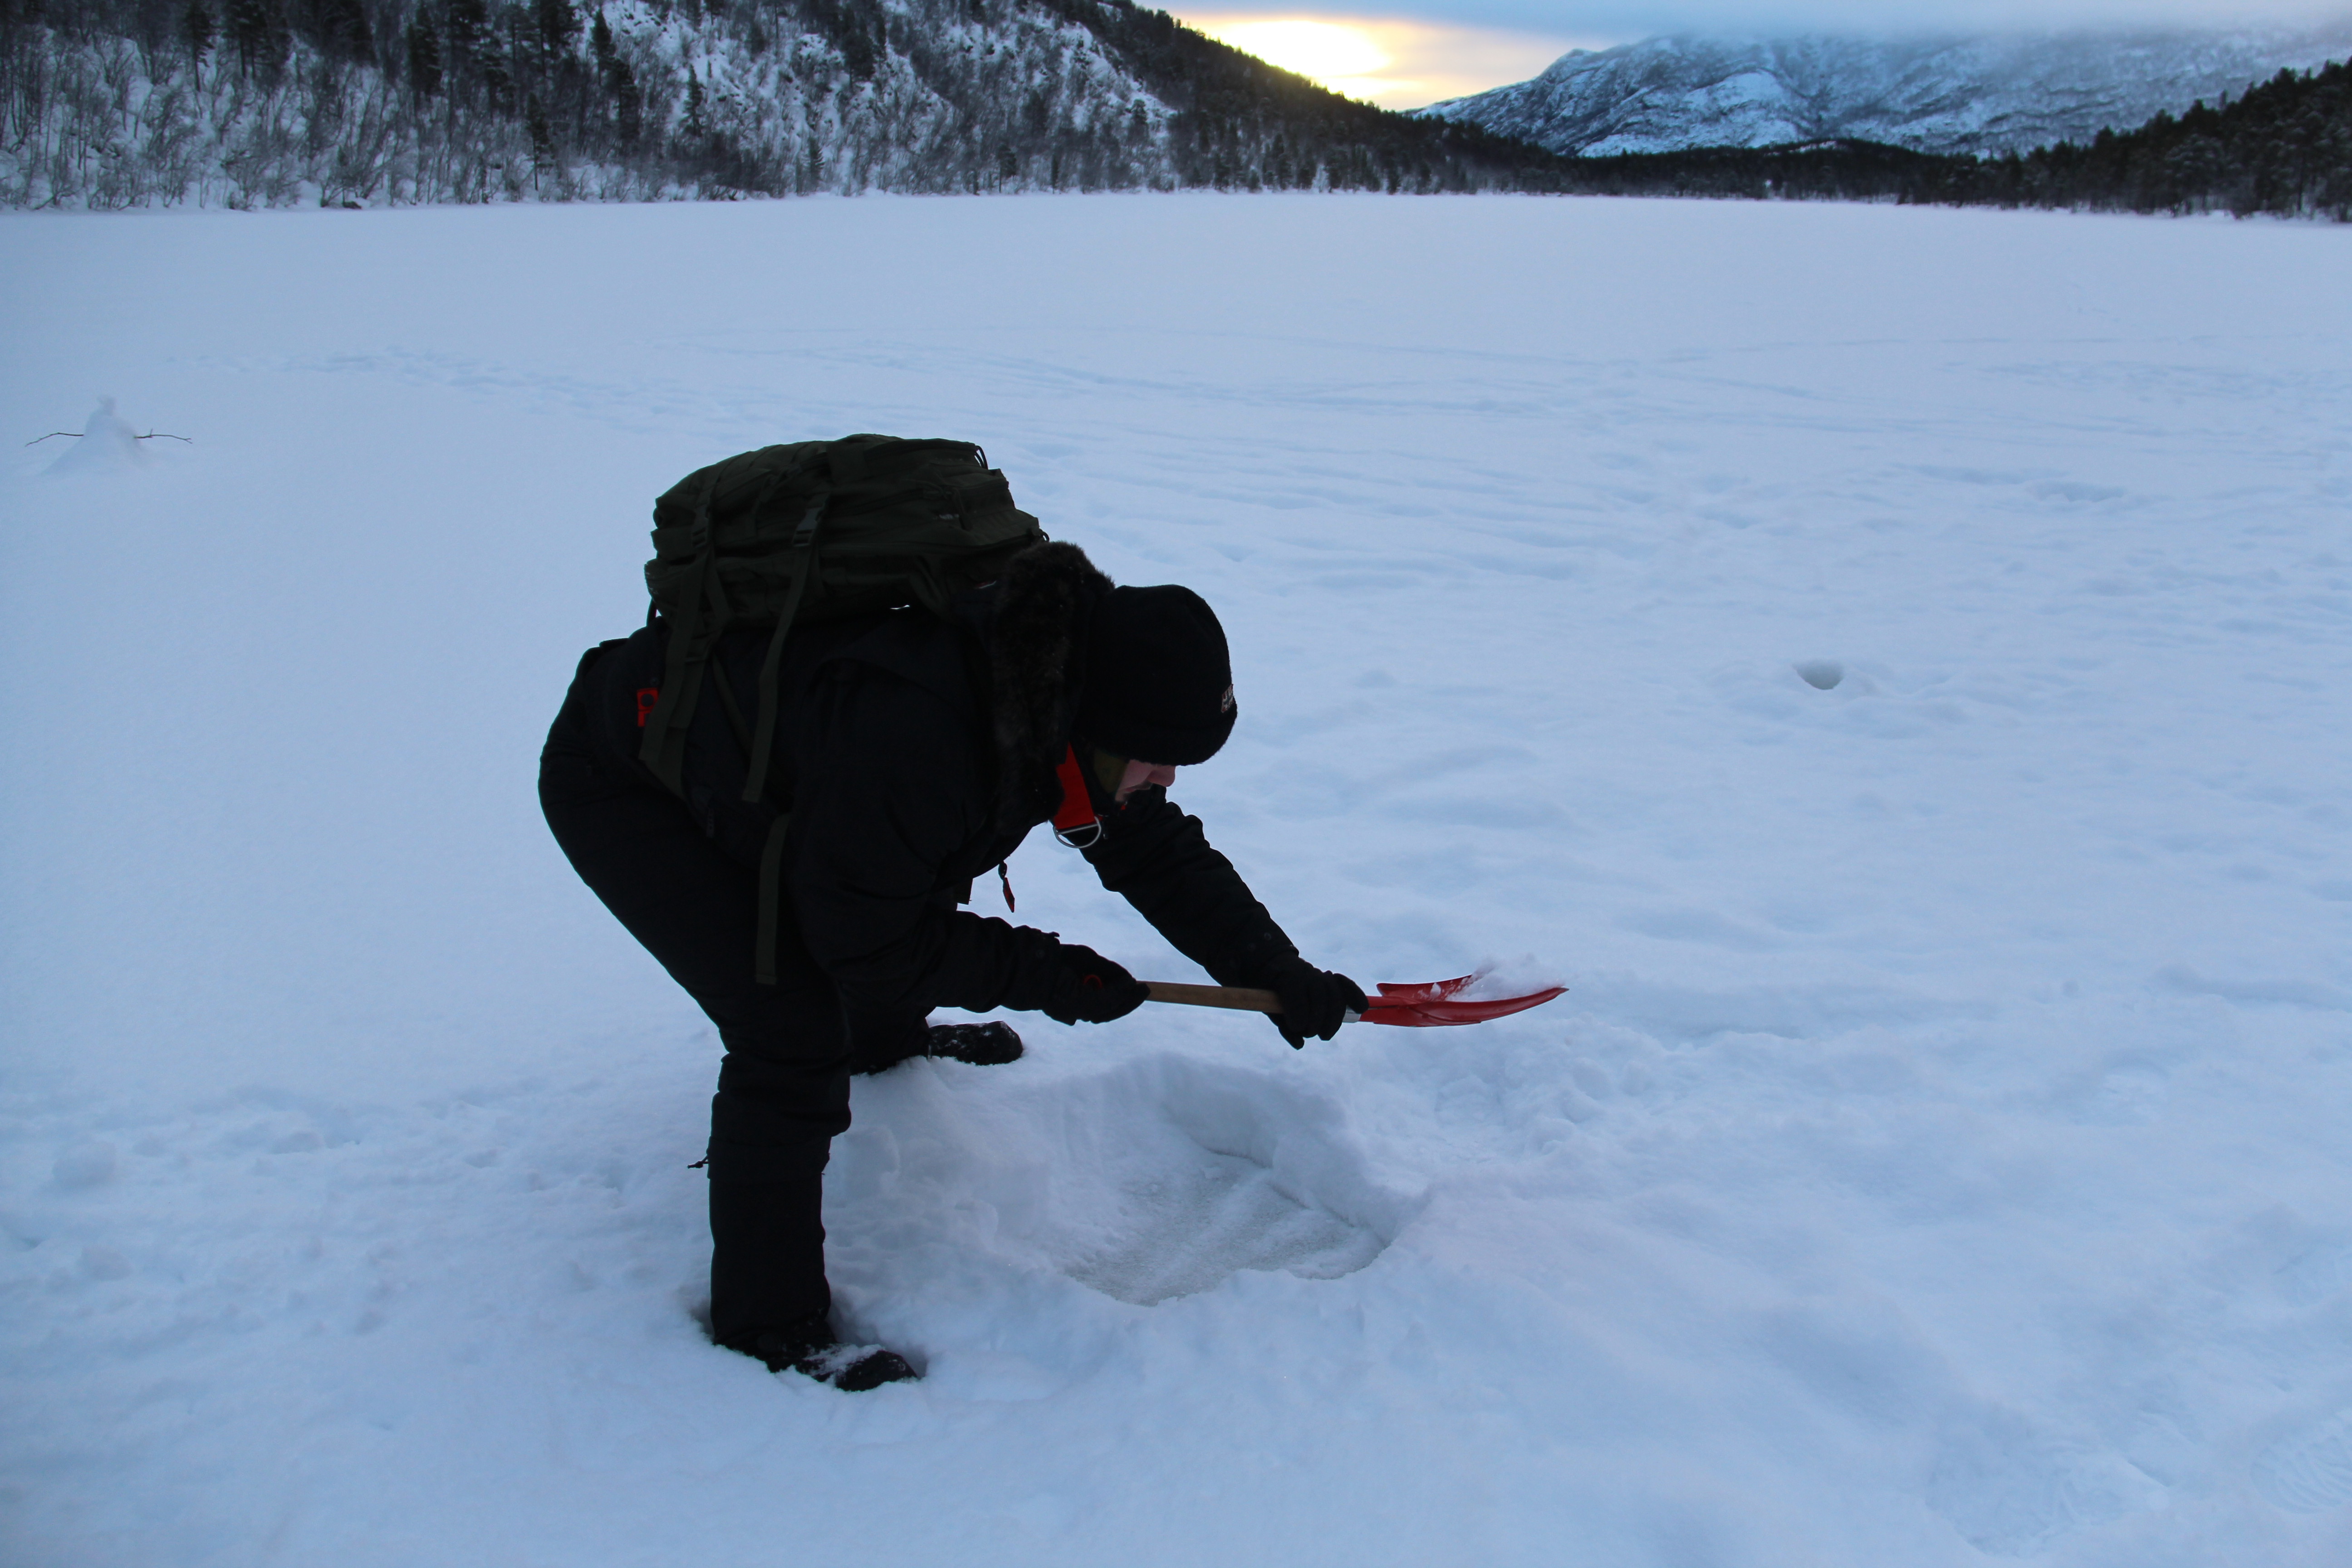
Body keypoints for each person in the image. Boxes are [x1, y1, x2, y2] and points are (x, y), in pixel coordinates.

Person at [538, 540, 1365, 1391]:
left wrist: (1275, 969)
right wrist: (1054, 976)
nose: (1168, 774)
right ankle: (770, 1328)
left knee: (890, 881)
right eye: (1156, 752)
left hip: (800, 781)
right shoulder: (923, 732)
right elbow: (867, 937)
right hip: (631, 782)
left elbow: (1154, 853)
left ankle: (882, 1044)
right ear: (1097, 717)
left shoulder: (1056, 694)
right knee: (789, 1023)